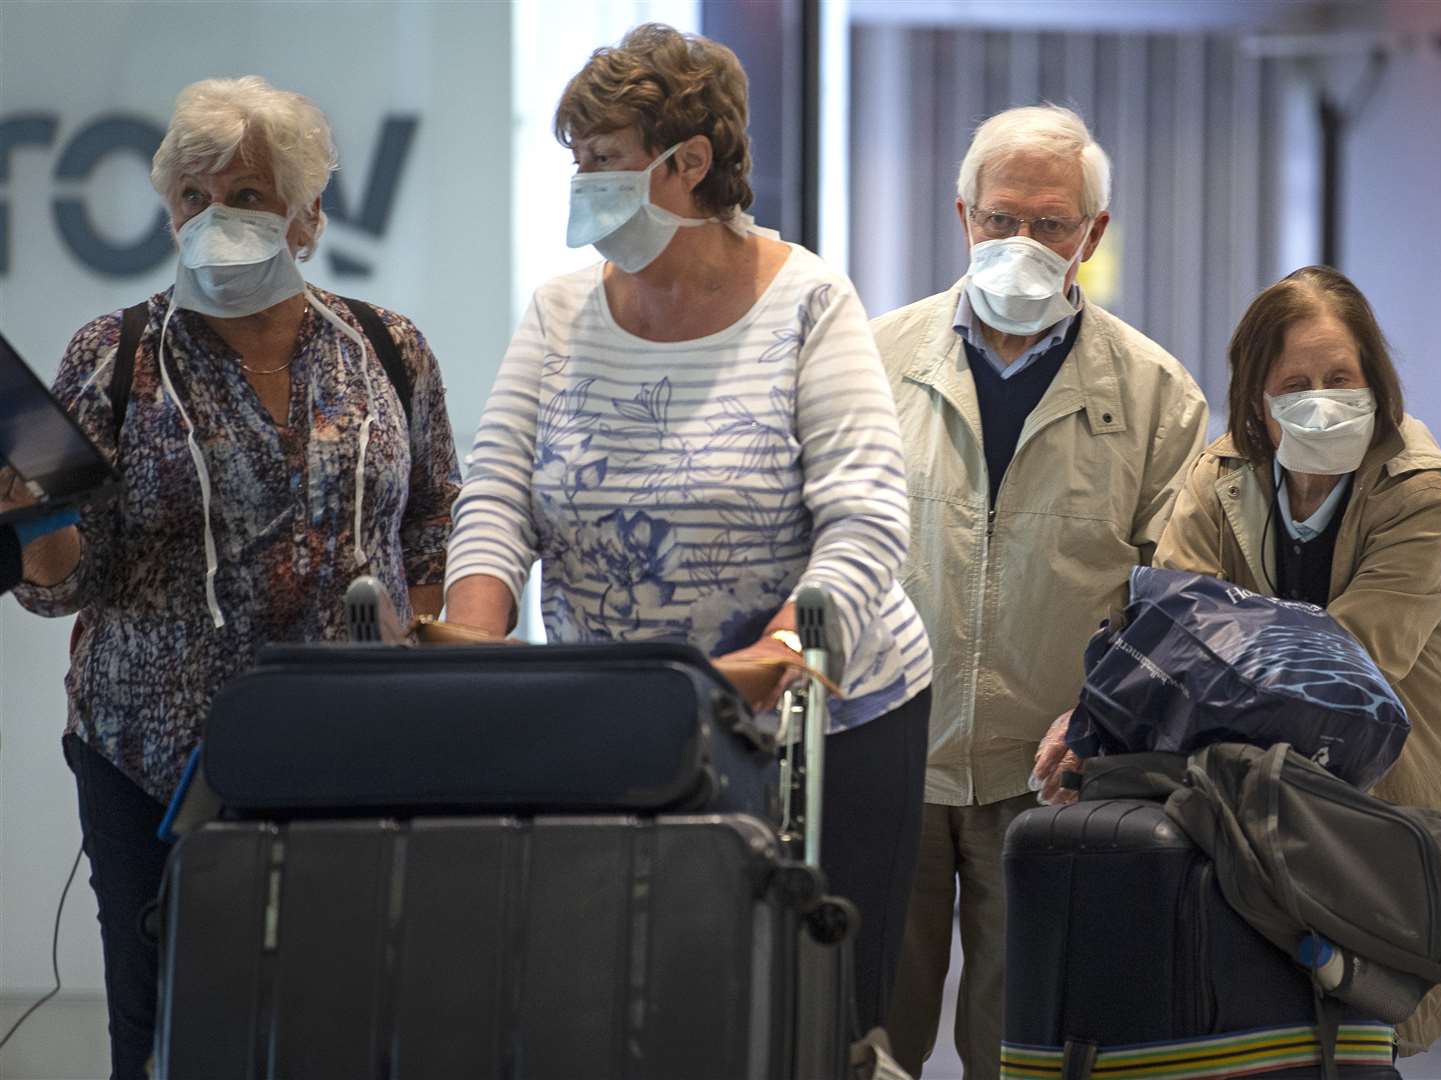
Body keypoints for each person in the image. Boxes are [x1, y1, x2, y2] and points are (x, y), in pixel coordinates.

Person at [443, 24, 932, 1039]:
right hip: (620, 716)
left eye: (604, 163)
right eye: (576, 162)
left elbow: (867, 517)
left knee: (811, 1016)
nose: (584, 186)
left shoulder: (806, 302)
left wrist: (781, 653)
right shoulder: (560, 311)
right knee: (619, 1006)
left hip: (825, 720)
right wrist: (475, 644)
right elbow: (497, 498)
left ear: (690, 162)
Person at [9, 76, 461, 1078]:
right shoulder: (115, 355)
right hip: (151, 762)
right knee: (163, 1035)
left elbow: (433, 518)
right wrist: (31, 515)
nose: (216, 220)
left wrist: (413, 649)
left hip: (354, 756)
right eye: (193, 198)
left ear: (306, 219)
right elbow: (60, 587)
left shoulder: (387, 349)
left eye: (248, 197)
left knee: (352, 1028)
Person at [1039, 264, 1441, 1054]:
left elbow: (1342, 673)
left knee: (1352, 1029)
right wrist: (1089, 720)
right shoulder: (1220, 477)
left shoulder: (1421, 492)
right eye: (1296, 382)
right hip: (1246, 802)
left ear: (1375, 383)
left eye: (1341, 377)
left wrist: (1212, 656)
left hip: (1379, 797)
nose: (1323, 398)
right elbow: (1163, 632)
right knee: (1245, 1028)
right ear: (1257, 401)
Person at [873, 104, 1208, 1079]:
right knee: (863, 1037)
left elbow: (1178, 601)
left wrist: (1101, 716)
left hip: (1057, 781)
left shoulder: (1156, 396)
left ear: (1091, 236)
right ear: (962, 217)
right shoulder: (870, 361)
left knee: (1027, 1049)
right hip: (896, 758)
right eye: (1001, 218)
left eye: (1050, 224)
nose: (1021, 243)